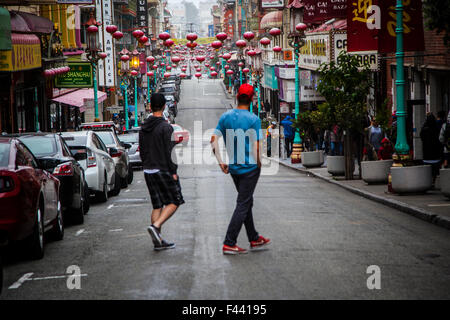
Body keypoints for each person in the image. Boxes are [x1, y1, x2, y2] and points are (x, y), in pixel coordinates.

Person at [211, 84, 271, 255]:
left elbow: (213, 139)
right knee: (243, 204)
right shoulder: (253, 119)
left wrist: (221, 161)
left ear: (237, 97)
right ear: (251, 99)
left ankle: (254, 237)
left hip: (234, 169)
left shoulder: (225, 117)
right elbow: (256, 146)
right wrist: (259, 163)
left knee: (246, 202)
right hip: (250, 168)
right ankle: (229, 242)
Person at [139, 93, 185, 251]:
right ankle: (156, 225)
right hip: (163, 169)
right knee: (175, 200)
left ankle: (157, 240)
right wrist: (173, 171)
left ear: (150, 106)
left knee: (157, 205)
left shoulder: (143, 128)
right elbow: (170, 152)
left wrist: (146, 165)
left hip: (148, 170)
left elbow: (142, 151)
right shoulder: (166, 127)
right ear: (164, 106)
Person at [420, 113, 442, 182]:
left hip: (426, 155)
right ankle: (434, 180)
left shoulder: (424, 130)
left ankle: (429, 181)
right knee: (435, 171)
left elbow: (421, 136)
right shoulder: (437, 129)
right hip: (436, 155)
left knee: (427, 172)